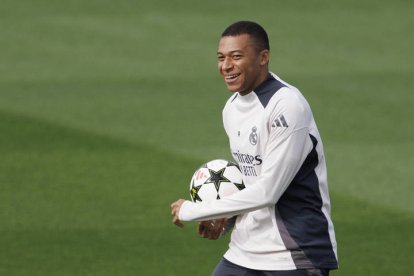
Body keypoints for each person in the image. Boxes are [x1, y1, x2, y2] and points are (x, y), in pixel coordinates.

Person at [171, 21, 338, 276]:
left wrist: (193, 210)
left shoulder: (286, 105)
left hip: (294, 255)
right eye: (221, 57)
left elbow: (269, 191)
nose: (226, 65)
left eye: (236, 57)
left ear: (263, 57)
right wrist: (227, 221)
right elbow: (253, 180)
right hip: (244, 251)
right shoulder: (232, 108)